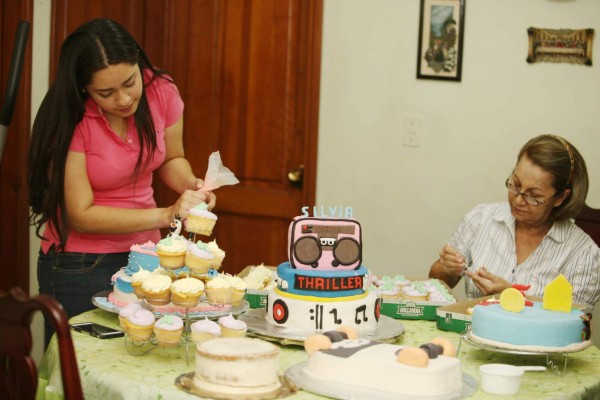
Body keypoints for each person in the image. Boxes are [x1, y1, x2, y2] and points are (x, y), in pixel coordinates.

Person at [27, 18, 215, 345]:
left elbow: (171, 158)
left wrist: (191, 185)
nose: (125, 99)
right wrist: (167, 214)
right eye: (106, 92)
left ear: (138, 63)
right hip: (80, 265)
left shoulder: (161, 90)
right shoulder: (72, 119)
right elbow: (81, 215)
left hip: (144, 258)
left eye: (130, 82)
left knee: (141, 356)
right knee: (79, 370)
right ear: (84, 87)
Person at [429, 134, 600, 310]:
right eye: (515, 185)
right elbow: (436, 282)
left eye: (533, 196)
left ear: (560, 198)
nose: (518, 200)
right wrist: (447, 269)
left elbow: (574, 325)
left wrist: (512, 298)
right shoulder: (482, 218)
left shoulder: (582, 253)